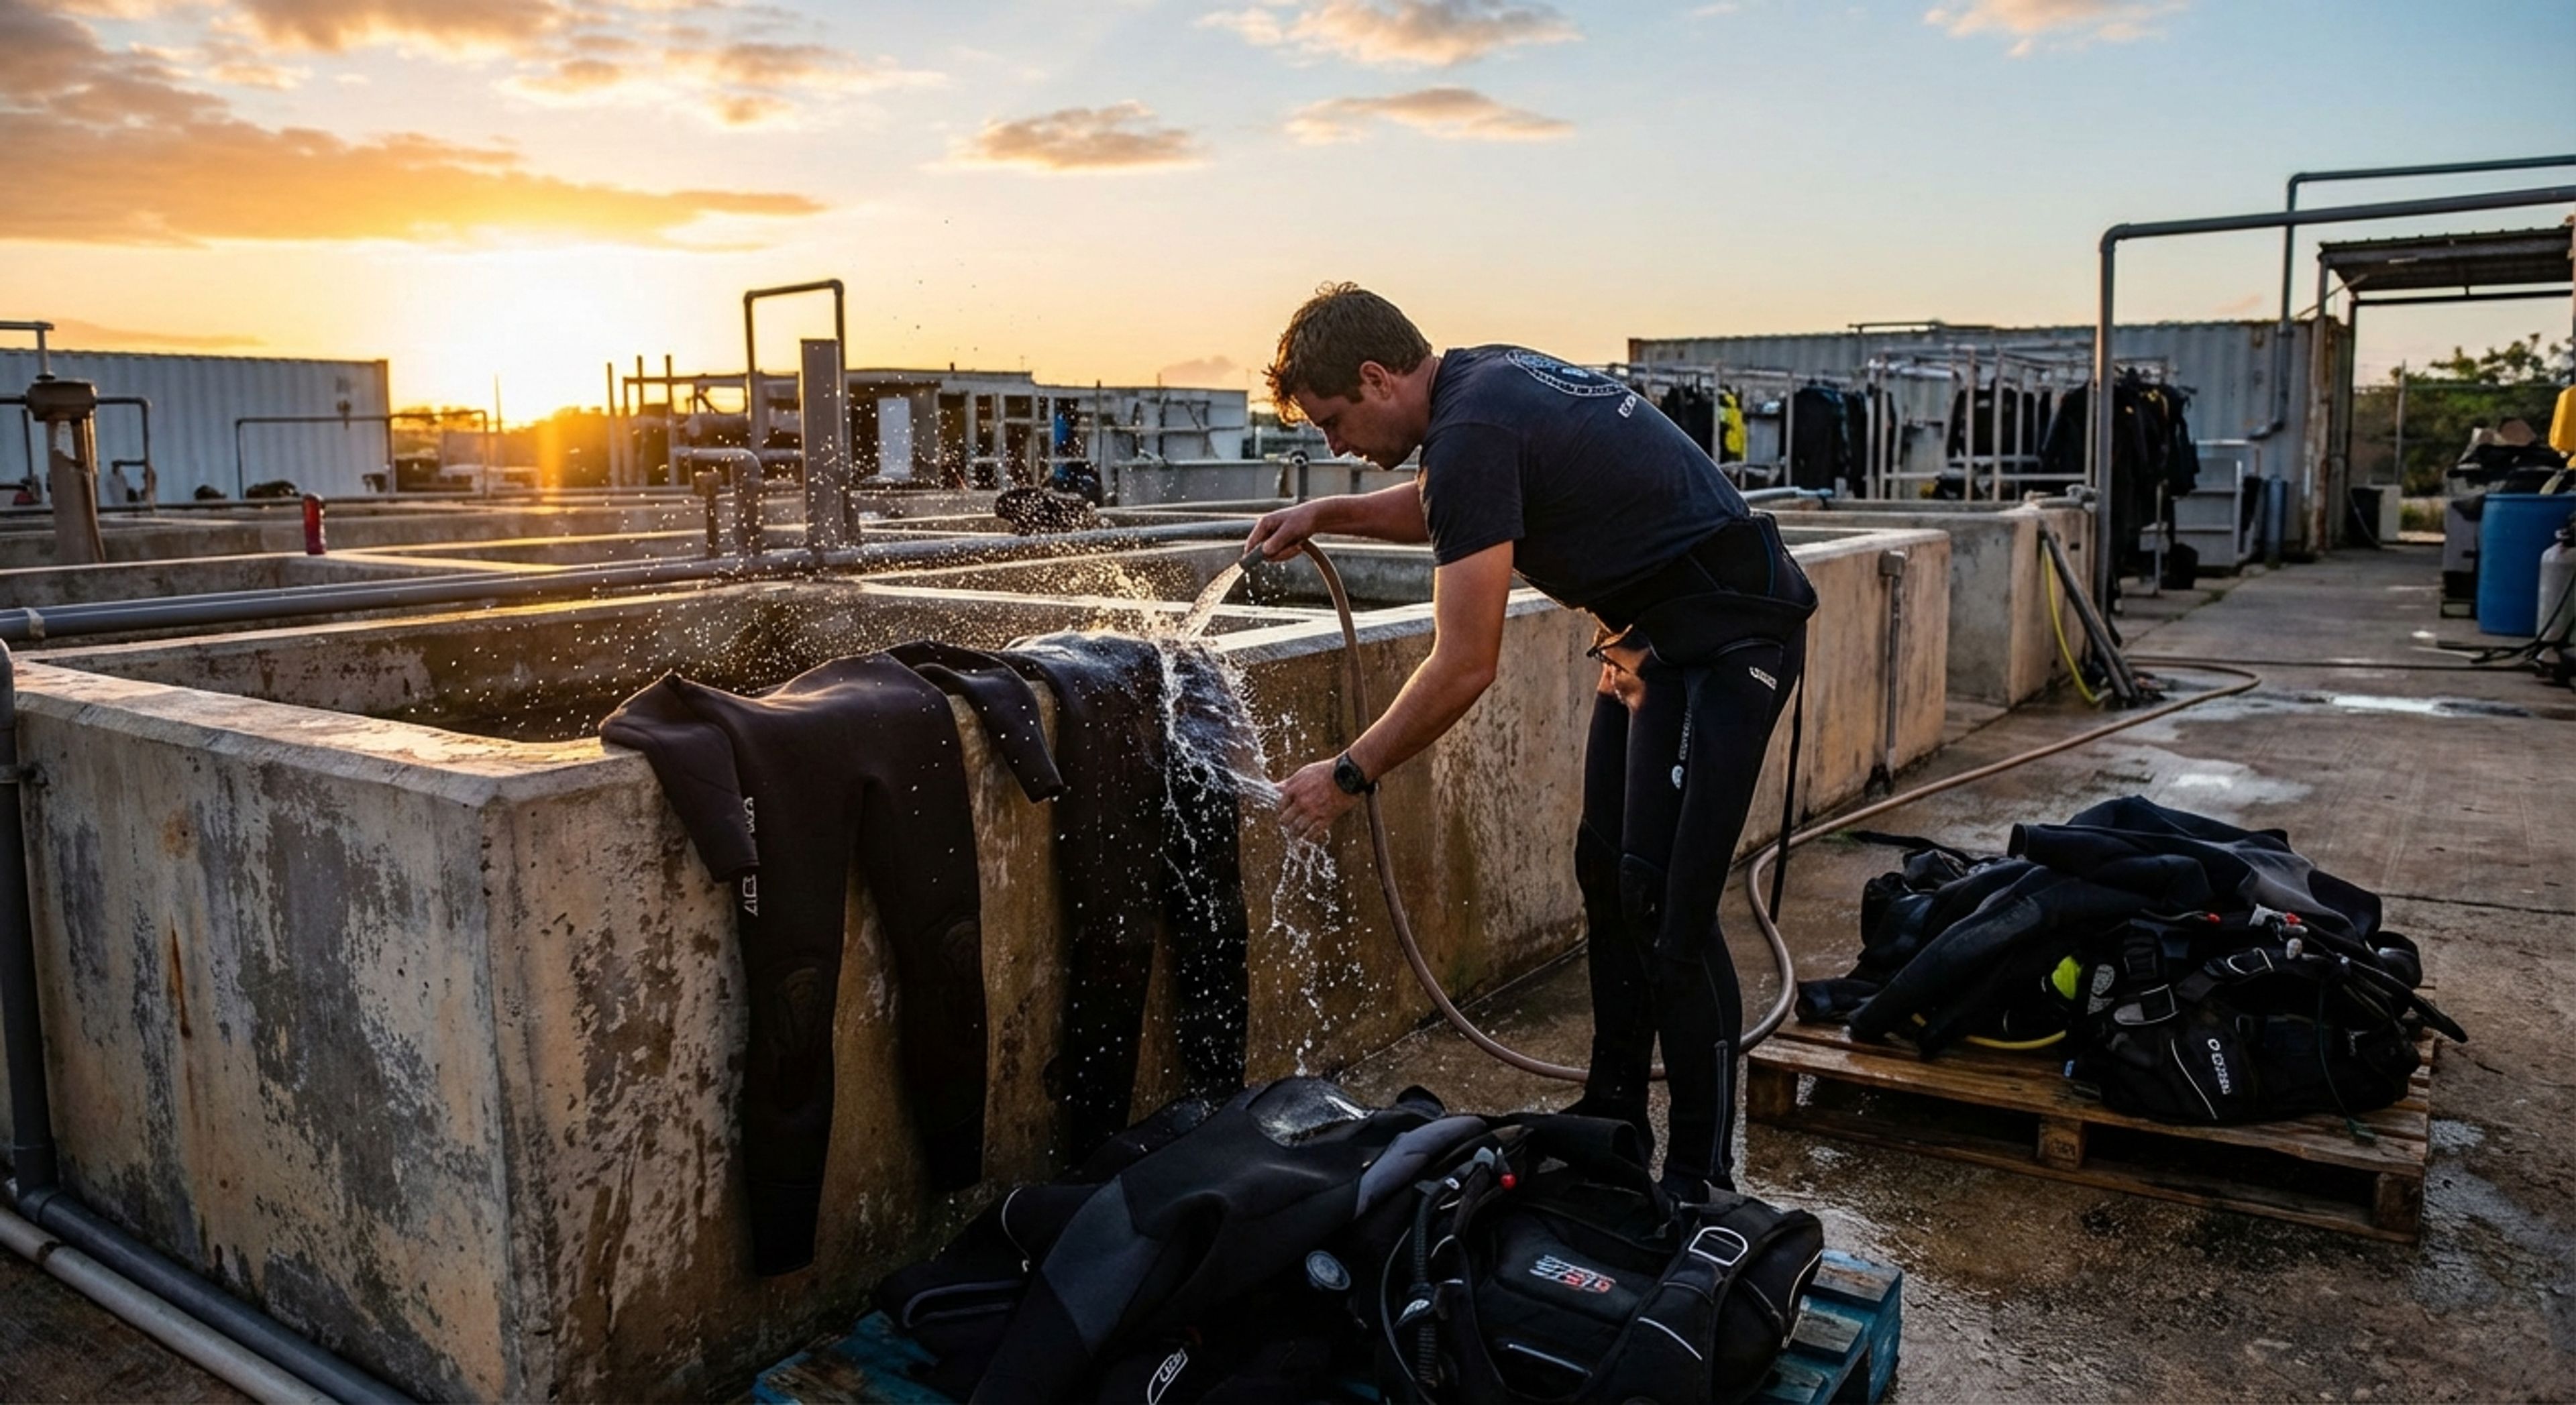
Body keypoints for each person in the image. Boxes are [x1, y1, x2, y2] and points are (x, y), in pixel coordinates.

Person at [1244, 284, 1815, 1198]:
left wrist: (1350, 774)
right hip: (1655, 643)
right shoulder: (1480, 386)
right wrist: (1323, 514)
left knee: (1671, 907)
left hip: (1732, 638)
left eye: (1334, 421)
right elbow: (1452, 506)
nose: (1333, 444)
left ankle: (1702, 1179)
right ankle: (1615, 1111)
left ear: (1376, 376)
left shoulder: (1471, 431)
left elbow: (1466, 664)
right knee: (1608, 871)